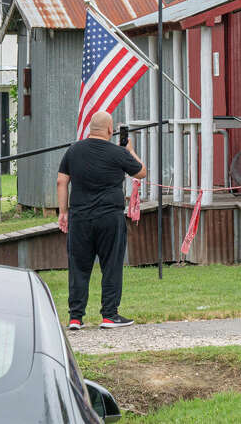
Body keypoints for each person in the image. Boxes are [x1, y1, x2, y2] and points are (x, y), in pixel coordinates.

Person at [56, 111, 147, 330]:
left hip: (80, 217)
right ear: (110, 129)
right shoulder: (117, 152)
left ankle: (76, 318)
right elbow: (141, 172)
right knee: (111, 265)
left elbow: (61, 181)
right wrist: (130, 151)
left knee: (78, 266)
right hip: (110, 217)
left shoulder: (74, 150)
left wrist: (63, 212)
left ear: (90, 127)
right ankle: (109, 315)